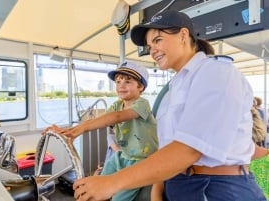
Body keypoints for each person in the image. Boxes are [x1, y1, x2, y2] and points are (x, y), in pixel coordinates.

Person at [72, 10, 269, 201]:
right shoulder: (173, 89)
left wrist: (111, 183)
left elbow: (189, 149)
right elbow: (168, 148)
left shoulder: (216, 73)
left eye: (157, 40)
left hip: (215, 187)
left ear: (183, 35)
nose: (152, 50)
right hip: (178, 183)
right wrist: (158, 190)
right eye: (149, 46)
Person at [45, 61, 158, 201]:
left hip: (142, 160)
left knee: (119, 197)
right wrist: (69, 130)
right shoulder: (117, 105)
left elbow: (116, 117)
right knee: (96, 185)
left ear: (140, 86)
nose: (121, 85)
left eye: (128, 81)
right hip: (123, 156)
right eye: (118, 81)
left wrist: (82, 129)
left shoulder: (142, 104)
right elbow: (99, 119)